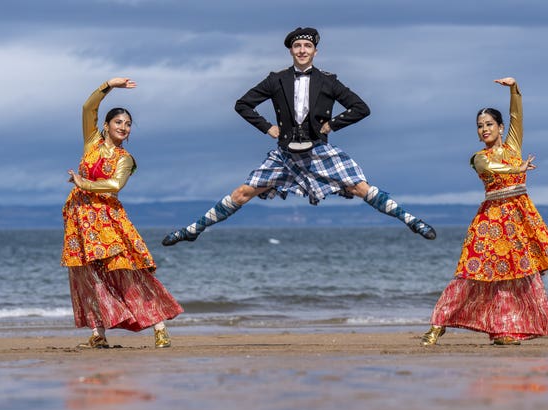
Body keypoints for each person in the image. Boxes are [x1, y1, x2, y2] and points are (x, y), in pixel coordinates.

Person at [162, 27, 436, 247]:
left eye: (307, 46)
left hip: (318, 151)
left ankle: (412, 221)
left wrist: (332, 126)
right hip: (283, 153)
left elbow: (361, 108)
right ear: (291, 50)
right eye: (297, 46)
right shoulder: (276, 79)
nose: (302, 50)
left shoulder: (328, 81)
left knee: (360, 187)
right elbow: (242, 104)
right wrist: (268, 127)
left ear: (315, 51)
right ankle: (193, 229)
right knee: (243, 192)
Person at [421, 77, 548, 346]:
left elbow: (516, 115)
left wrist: (513, 89)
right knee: (471, 273)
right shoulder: (478, 157)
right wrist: (516, 170)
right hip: (491, 220)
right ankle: (438, 325)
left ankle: (505, 330)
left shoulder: (512, 147)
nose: (484, 129)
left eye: (489, 124)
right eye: (479, 126)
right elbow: (489, 169)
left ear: (500, 127)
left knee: (516, 277)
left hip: (518, 220)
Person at [62, 77, 183, 349]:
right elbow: (87, 108)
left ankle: (160, 328)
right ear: (106, 125)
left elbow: (115, 185)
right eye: (119, 122)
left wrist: (85, 183)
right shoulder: (91, 141)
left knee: (126, 272)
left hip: (107, 220)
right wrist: (108, 85)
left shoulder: (125, 159)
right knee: (86, 276)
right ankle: (98, 334)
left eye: (128, 125)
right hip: (80, 217)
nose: (124, 127)